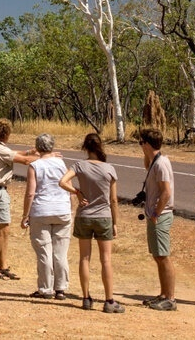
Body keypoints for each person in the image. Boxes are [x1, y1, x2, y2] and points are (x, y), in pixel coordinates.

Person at [58, 133, 125, 313]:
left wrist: (76, 192)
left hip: (84, 216)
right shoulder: (109, 168)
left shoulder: (79, 166)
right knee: (106, 260)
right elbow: (113, 200)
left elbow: (62, 181)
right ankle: (109, 300)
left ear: (85, 148)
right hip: (104, 216)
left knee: (84, 258)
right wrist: (115, 223)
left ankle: (86, 298)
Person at [0, 118, 43, 280]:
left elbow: (16, 155)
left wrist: (29, 152)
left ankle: (3, 266)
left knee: (4, 230)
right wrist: (46, 157)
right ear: (7, 134)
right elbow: (25, 161)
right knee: (2, 231)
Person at [20, 134, 71, 300]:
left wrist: (25, 215)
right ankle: (61, 288)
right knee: (60, 252)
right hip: (62, 210)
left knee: (44, 252)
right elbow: (67, 185)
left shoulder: (35, 166)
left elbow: (30, 192)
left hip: (41, 211)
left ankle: (46, 288)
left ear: (37, 147)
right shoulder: (61, 163)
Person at [137, 128, 177, 311]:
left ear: (146, 143)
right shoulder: (155, 161)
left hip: (160, 216)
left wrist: (155, 214)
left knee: (163, 256)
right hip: (155, 216)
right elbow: (147, 166)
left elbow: (166, 192)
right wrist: (146, 152)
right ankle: (163, 294)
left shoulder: (161, 164)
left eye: (141, 143)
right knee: (157, 256)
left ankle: (170, 298)